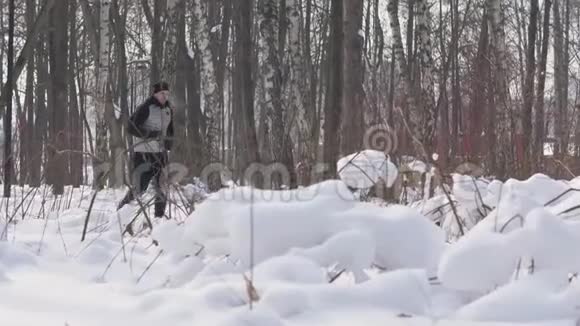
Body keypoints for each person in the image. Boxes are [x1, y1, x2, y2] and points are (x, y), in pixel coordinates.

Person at [117, 81, 174, 219]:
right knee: (139, 188)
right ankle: (120, 213)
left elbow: (170, 131)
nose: (164, 97)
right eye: (162, 94)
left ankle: (159, 219)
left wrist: (168, 144)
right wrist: (152, 135)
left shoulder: (168, 110)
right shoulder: (146, 107)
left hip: (160, 154)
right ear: (155, 94)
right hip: (143, 154)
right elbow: (131, 127)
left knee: (162, 186)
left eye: (166, 94)